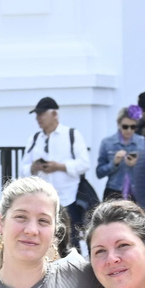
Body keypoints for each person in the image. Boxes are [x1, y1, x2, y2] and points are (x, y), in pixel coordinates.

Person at [21, 96, 92, 233]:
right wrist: (34, 167)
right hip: (42, 200)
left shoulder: (72, 135)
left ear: (54, 114)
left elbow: (84, 164)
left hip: (68, 198)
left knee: (72, 241)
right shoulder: (35, 138)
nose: (38, 118)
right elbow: (23, 169)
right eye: (37, 114)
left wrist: (60, 166)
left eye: (41, 114)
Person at [98, 103, 143, 201]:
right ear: (119, 125)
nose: (129, 130)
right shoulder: (107, 143)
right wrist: (114, 163)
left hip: (137, 192)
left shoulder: (142, 142)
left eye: (133, 127)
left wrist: (137, 164)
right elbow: (99, 173)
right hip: (114, 191)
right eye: (125, 126)